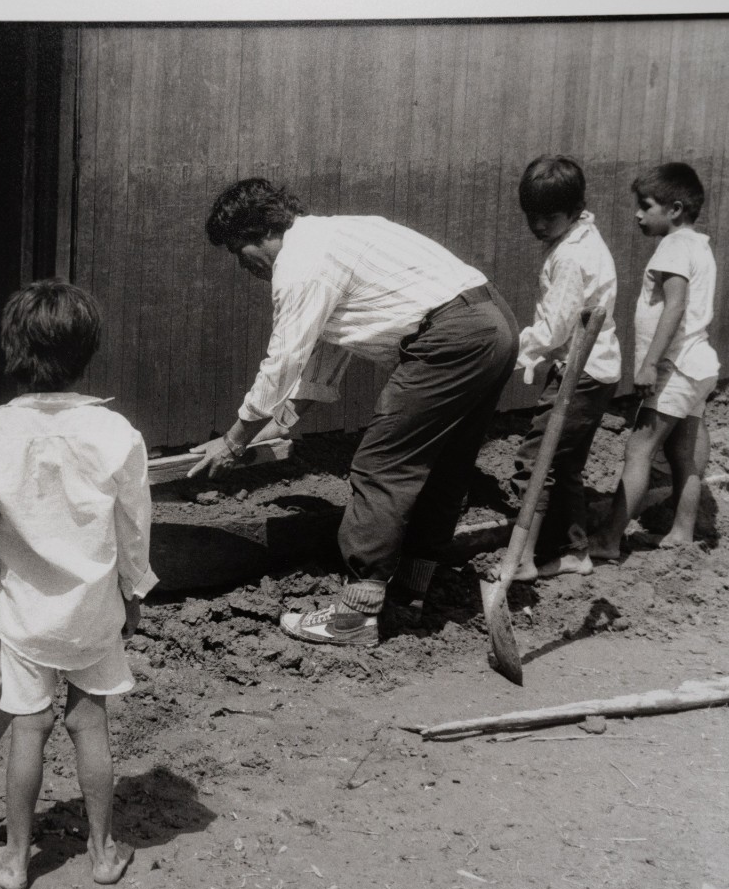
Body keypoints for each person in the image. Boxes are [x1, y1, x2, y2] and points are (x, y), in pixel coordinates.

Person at [191, 178, 519, 645]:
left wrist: (233, 440)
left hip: (451, 338)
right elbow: (325, 352)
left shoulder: (300, 265)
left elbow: (284, 359)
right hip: (492, 323)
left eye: (236, 251)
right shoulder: (335, 236)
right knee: (444, 464)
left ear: (258, 233)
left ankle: (353, 617)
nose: (243, 266)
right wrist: (281, 424)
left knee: (380, 463)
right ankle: (412, 590)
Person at [0, 280, 154, 889]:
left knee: (28, 726)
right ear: (88, 352)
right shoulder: (115, 433)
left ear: (11, 351)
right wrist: (134, 593)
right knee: (90, 722)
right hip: (94, 607)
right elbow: (134, 526)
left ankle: (16, 860)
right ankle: (103, 852)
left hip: (25, 613)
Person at [590, 162, 721, 557]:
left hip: (674, 367)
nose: (638, 214)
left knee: (639, 450)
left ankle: (609, 539)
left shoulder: (674, 247)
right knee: (683, 454)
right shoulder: (699, 245)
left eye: (646, 206)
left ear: (675, 209)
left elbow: (674, 306)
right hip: (698, 364)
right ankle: (681, 531)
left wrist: (649, 363)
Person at [509, 155, 622, 580]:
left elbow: (555, 327)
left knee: (536, 460)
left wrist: (513, 351)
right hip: (596, 367)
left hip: (581, 371)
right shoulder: (582, 235)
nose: (538, 225)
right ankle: (573, 551)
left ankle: (522, 557)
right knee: (564, 463)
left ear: (574, 210)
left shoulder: (572, 257)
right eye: (531, 216)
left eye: (549, 217)